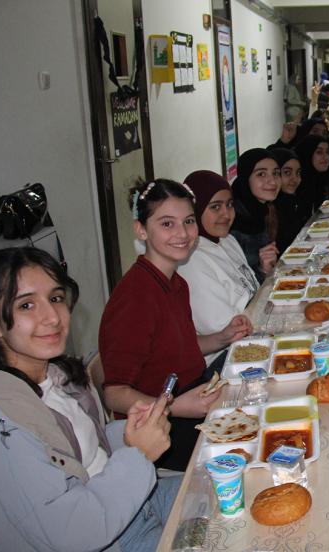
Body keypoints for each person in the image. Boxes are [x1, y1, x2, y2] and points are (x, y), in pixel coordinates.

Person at [0, 247, 178, 552]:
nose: (52, 317)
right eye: (26, 305)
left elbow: (85, 450)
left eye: (55, 298)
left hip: (135, 500)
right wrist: (139, 454)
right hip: (108, 537)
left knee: (236, 483)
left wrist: (132, 431)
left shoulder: (54, 374)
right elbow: (74, 533)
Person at [100, 179, 252, 470]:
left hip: (193, 394)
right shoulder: (135, 298)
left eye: (188, 221)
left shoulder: (175, 283)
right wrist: (175, 406)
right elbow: (114, 394)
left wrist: (222, 337)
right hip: (162, 428)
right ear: (141, 229)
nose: (182, 234)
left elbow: (181, 348)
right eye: (167, 224)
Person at [179, 170, 260, 365]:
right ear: (194, 210)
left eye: (229, 204)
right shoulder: (191, 260)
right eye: (215, 207)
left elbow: (254, 289)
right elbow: (224, 328)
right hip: (226, 356)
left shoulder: (227, 240)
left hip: (253, 333)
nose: (226, 214)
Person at [230, 148, 281, 282]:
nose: (273, 181)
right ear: (246, 178)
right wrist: (263, 270)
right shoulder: (233, 220)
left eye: (276, 173)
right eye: (261, 174)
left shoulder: (265, 209)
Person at [269, 148, 307, 253]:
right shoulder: (269, 207)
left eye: (298, 173)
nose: (295, 179)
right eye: (287, 172)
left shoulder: (293, 201)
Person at [295, 134, 329, 220]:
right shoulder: (297, 183)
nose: (325, 157)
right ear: (308, 154)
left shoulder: (319, 177)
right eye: (319, 152)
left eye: (327, 152)